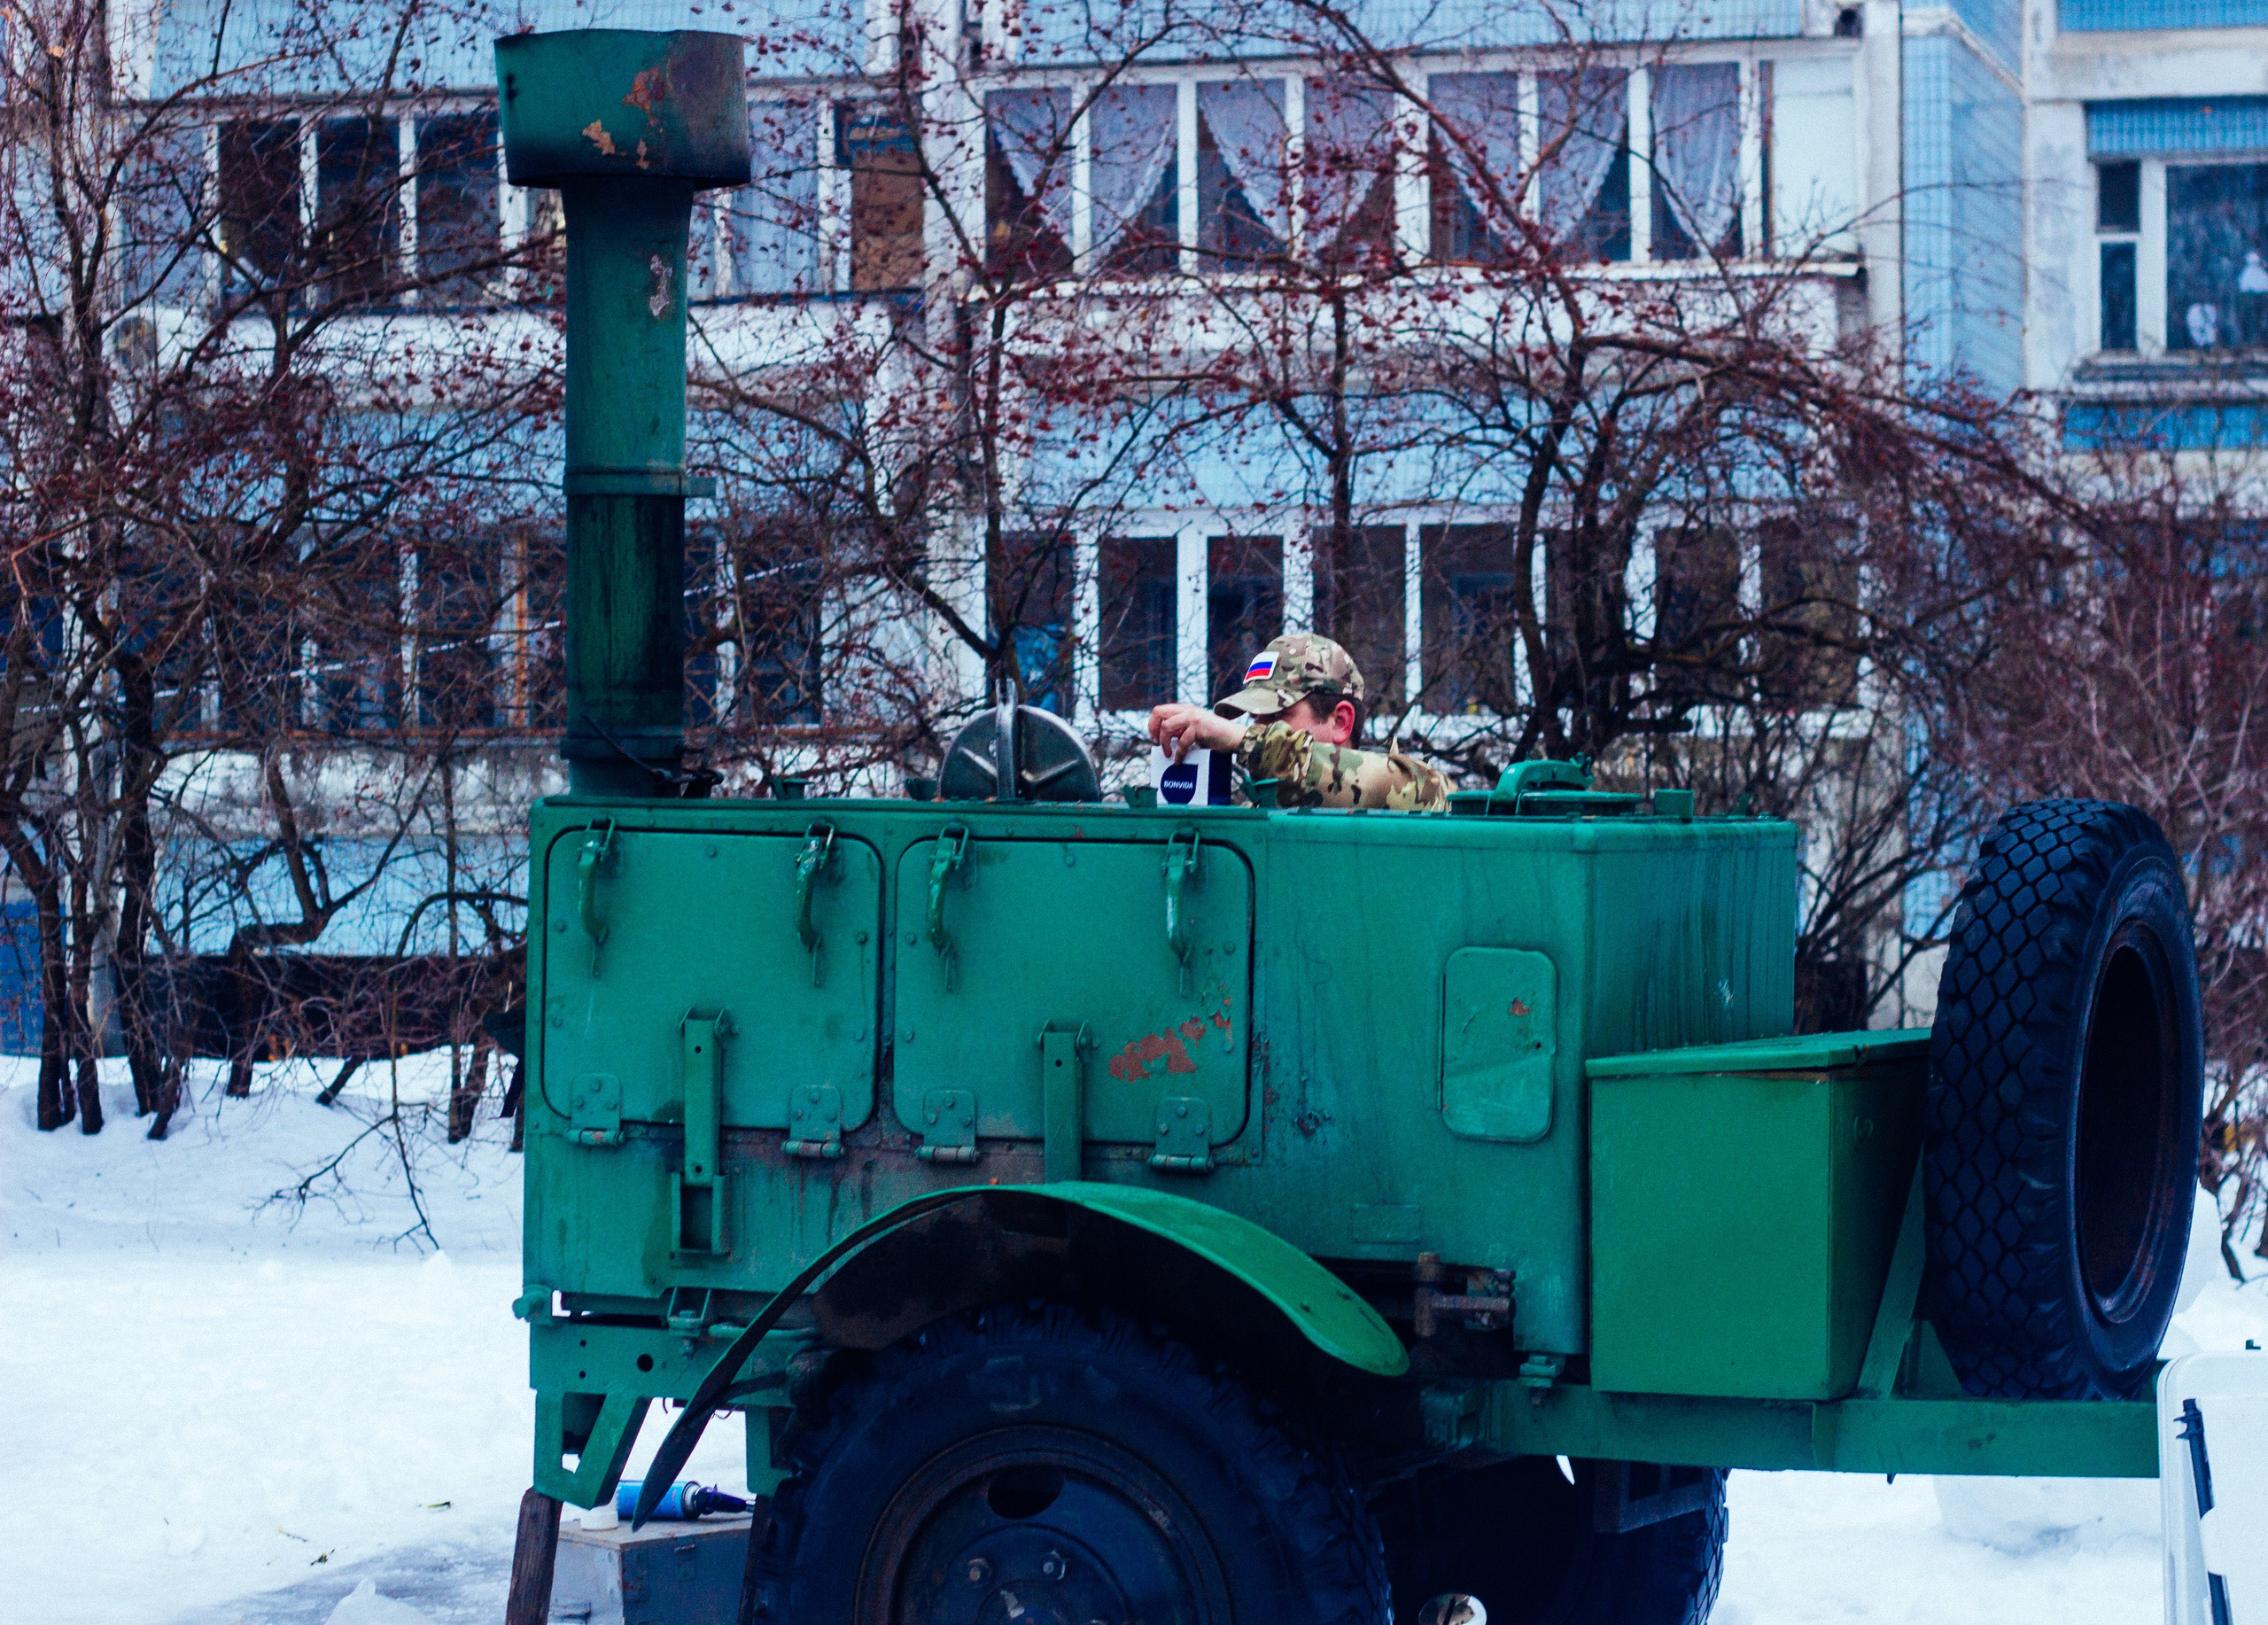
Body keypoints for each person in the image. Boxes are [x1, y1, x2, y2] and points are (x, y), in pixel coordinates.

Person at [1147, 633, 1450, 812]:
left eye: (1278, 717)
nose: (1259, 728)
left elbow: (1432, 793)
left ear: (1340, 722)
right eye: (1255, 719)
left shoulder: (1414, 788)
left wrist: (1244, 741)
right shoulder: (1260, 811)